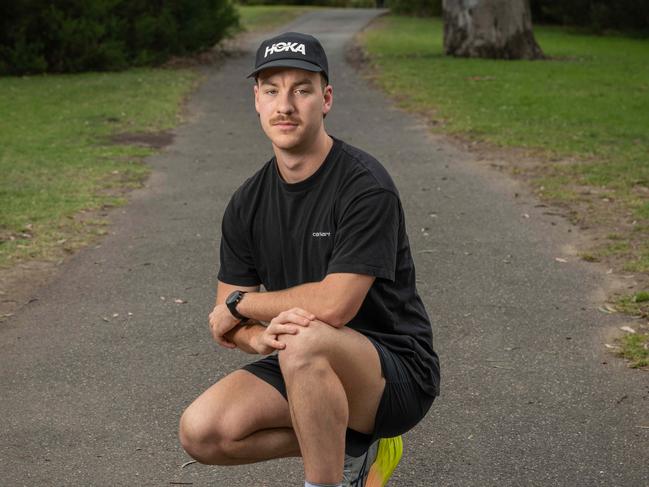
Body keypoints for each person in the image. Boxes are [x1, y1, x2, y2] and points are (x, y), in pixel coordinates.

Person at [179, 32, 440, 487]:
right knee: (203, 432)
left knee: (306, 338)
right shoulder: (247, 202)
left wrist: (242, 306)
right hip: (301, 363)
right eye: (271, 90)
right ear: (256, 100)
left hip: (394, 372)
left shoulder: (364, 186)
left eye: (302, 89)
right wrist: (259, 340)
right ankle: (357, 444)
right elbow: (231, 324)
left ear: (326, 99)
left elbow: (332, 305)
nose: (285, 105)